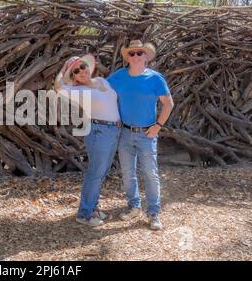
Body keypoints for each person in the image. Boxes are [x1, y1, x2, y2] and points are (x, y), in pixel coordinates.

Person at [107, 40, 174, 230]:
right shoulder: (118, 77)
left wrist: (158, 126)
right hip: (125, 133)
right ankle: (133, 206)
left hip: (147, 133)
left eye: (139, 53)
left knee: (150, 174)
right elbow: (102, 92)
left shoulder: (155, 78)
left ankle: (153, 213)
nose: (135, 56)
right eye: (132, 53)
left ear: (146, 56)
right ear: (127, 57)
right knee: (128, 174)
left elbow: (168, 104)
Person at [55, 54, 121, 227]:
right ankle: (84, 213)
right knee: (95, 172)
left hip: (113, 130)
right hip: (98, 131)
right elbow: (58, 87)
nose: (81, 71)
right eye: (76, 71)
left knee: (102, 171)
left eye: (82, 66)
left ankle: (93, 208)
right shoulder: (78, 91)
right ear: (74, 77)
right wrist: (63, 69)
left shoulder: (102, 81)